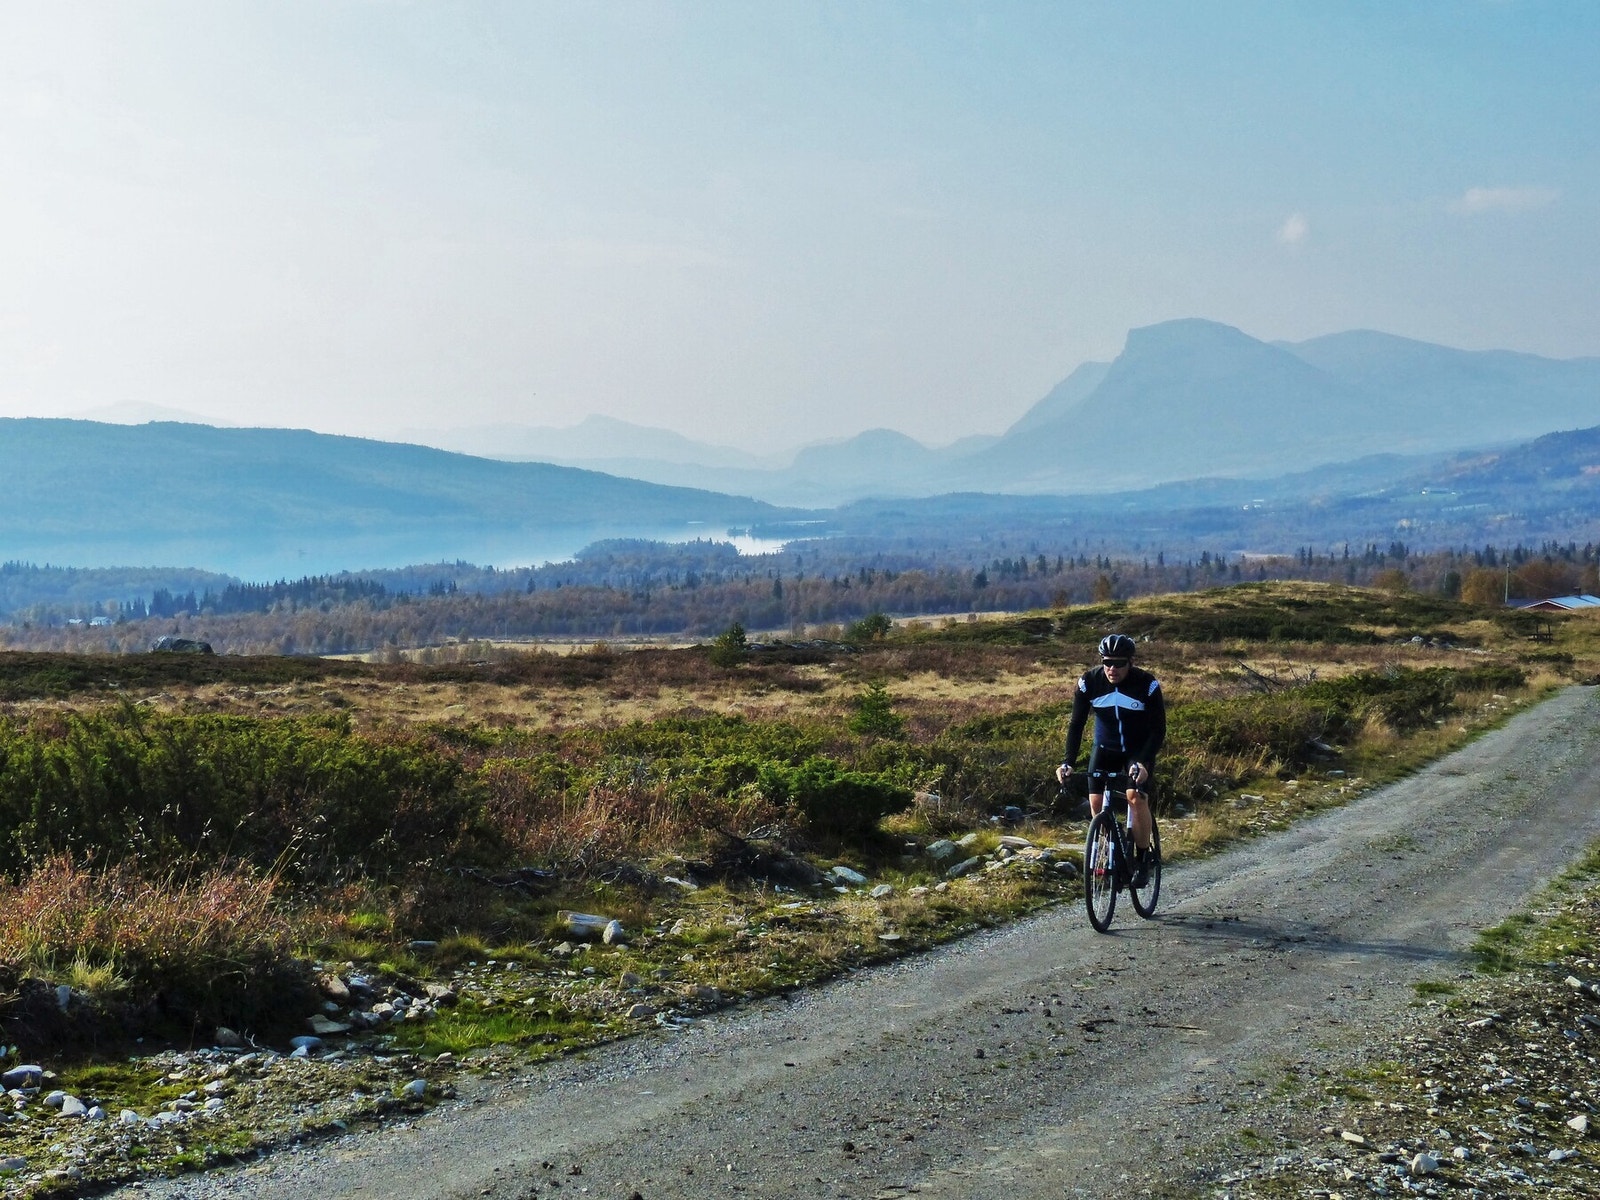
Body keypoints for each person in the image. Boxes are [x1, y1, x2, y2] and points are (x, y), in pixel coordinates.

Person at [1055, 633, 1166, 888]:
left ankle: (1143, 858)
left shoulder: (1146, 685)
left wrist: (1144, 762)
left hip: (1136, 752)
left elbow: (1158, 729)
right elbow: (1076, 725)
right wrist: (1067, 762)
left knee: (1135, 797)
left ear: (1130, 662)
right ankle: (1111, 857)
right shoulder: (1089, 682)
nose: (1112, 669)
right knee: (1096, 804)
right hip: (1105, 749)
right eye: (1107, 662)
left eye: (1118, 663)